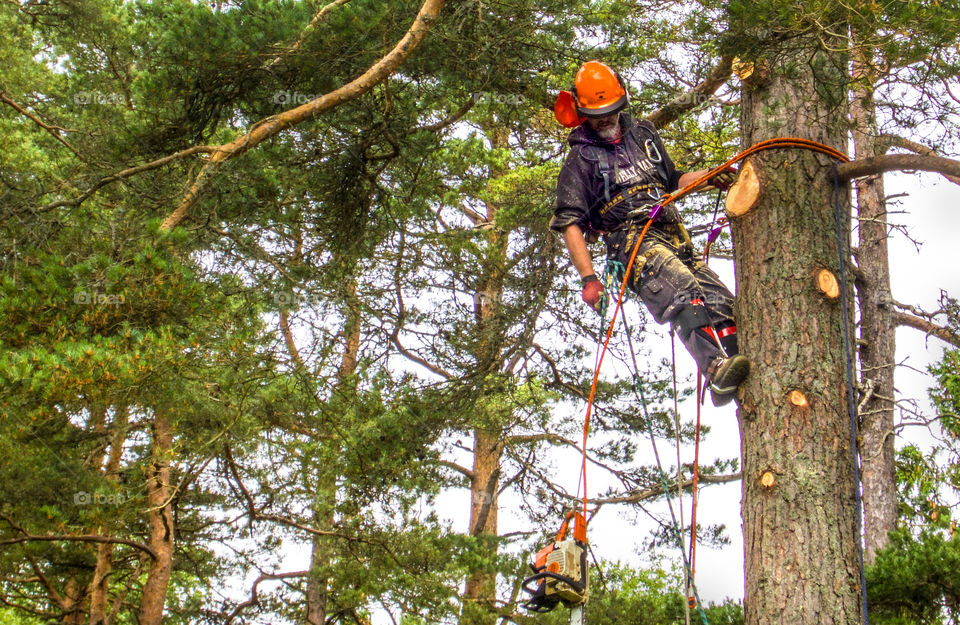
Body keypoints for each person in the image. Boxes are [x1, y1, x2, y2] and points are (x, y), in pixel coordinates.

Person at [550, 60, 750, 406]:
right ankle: (715, 367)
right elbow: (570, 222)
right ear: (582, 112)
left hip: (673, 232)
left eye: (611, 111)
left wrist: (708, 175)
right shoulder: (580, 159)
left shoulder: (644, 136)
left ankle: (736, 366)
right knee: (681, 289)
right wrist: (588, 279)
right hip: (631, 239)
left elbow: (674, 180)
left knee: (720, 300)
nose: (606, 120)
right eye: (598, 115)